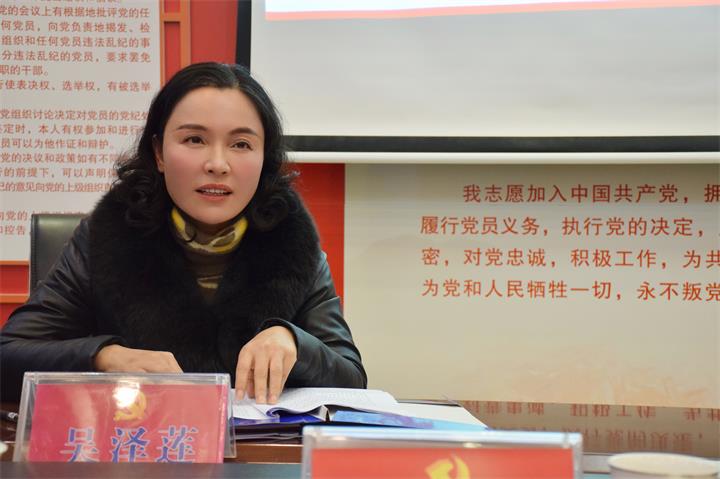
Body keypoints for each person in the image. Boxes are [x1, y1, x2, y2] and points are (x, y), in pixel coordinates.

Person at [0, 62, 366, 403]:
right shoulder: (108, 238)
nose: (217, 164)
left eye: (241, 144)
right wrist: (105, 356)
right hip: (138, 443)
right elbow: (9, 354)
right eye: (194, 140)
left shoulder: (291, 243)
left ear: (263, 158)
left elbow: (352, 378)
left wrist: (294, 342)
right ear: (159, 153)